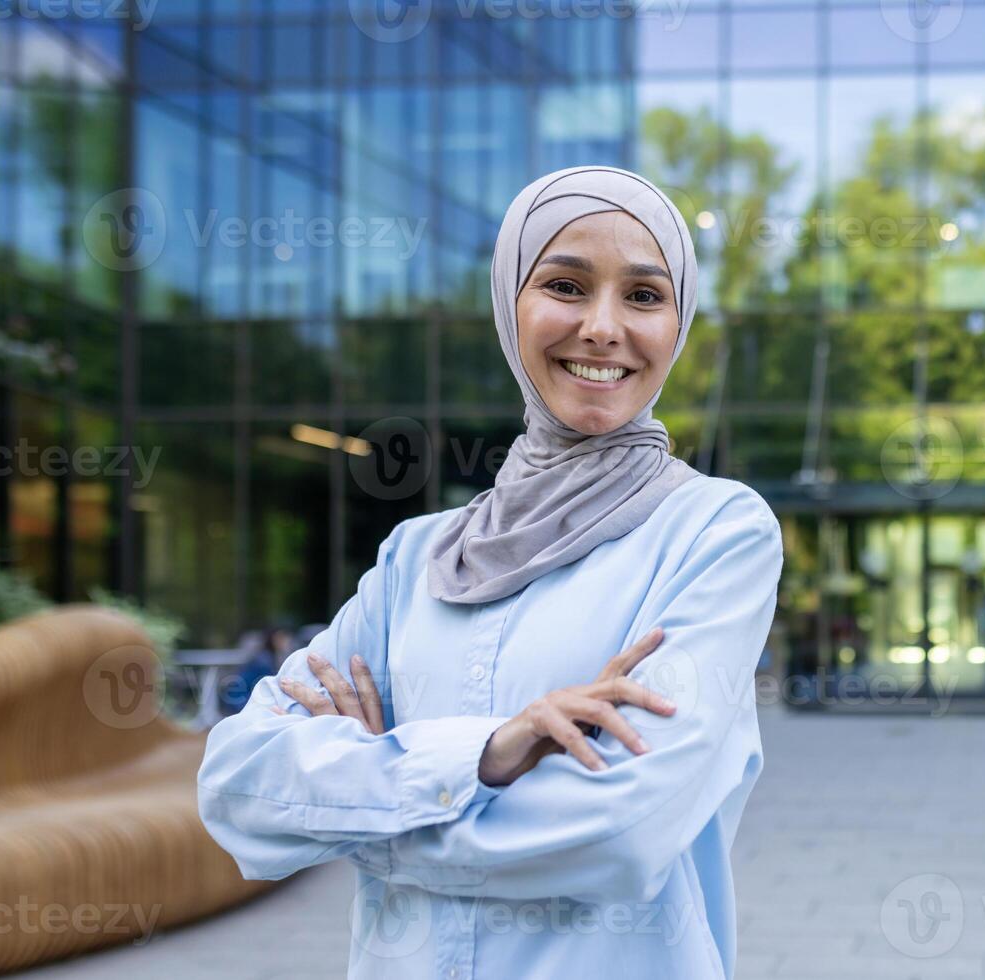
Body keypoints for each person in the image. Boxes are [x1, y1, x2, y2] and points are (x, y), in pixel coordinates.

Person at [196, 166, 783, 980]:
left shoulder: (714, 531)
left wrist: (366, 810)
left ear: (677, 325)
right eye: (566, 285)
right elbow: (238, 786)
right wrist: (494, 752)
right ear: (511, 303)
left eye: (644, 296)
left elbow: (617, 836)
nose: (604, 327)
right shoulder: (417, 558)